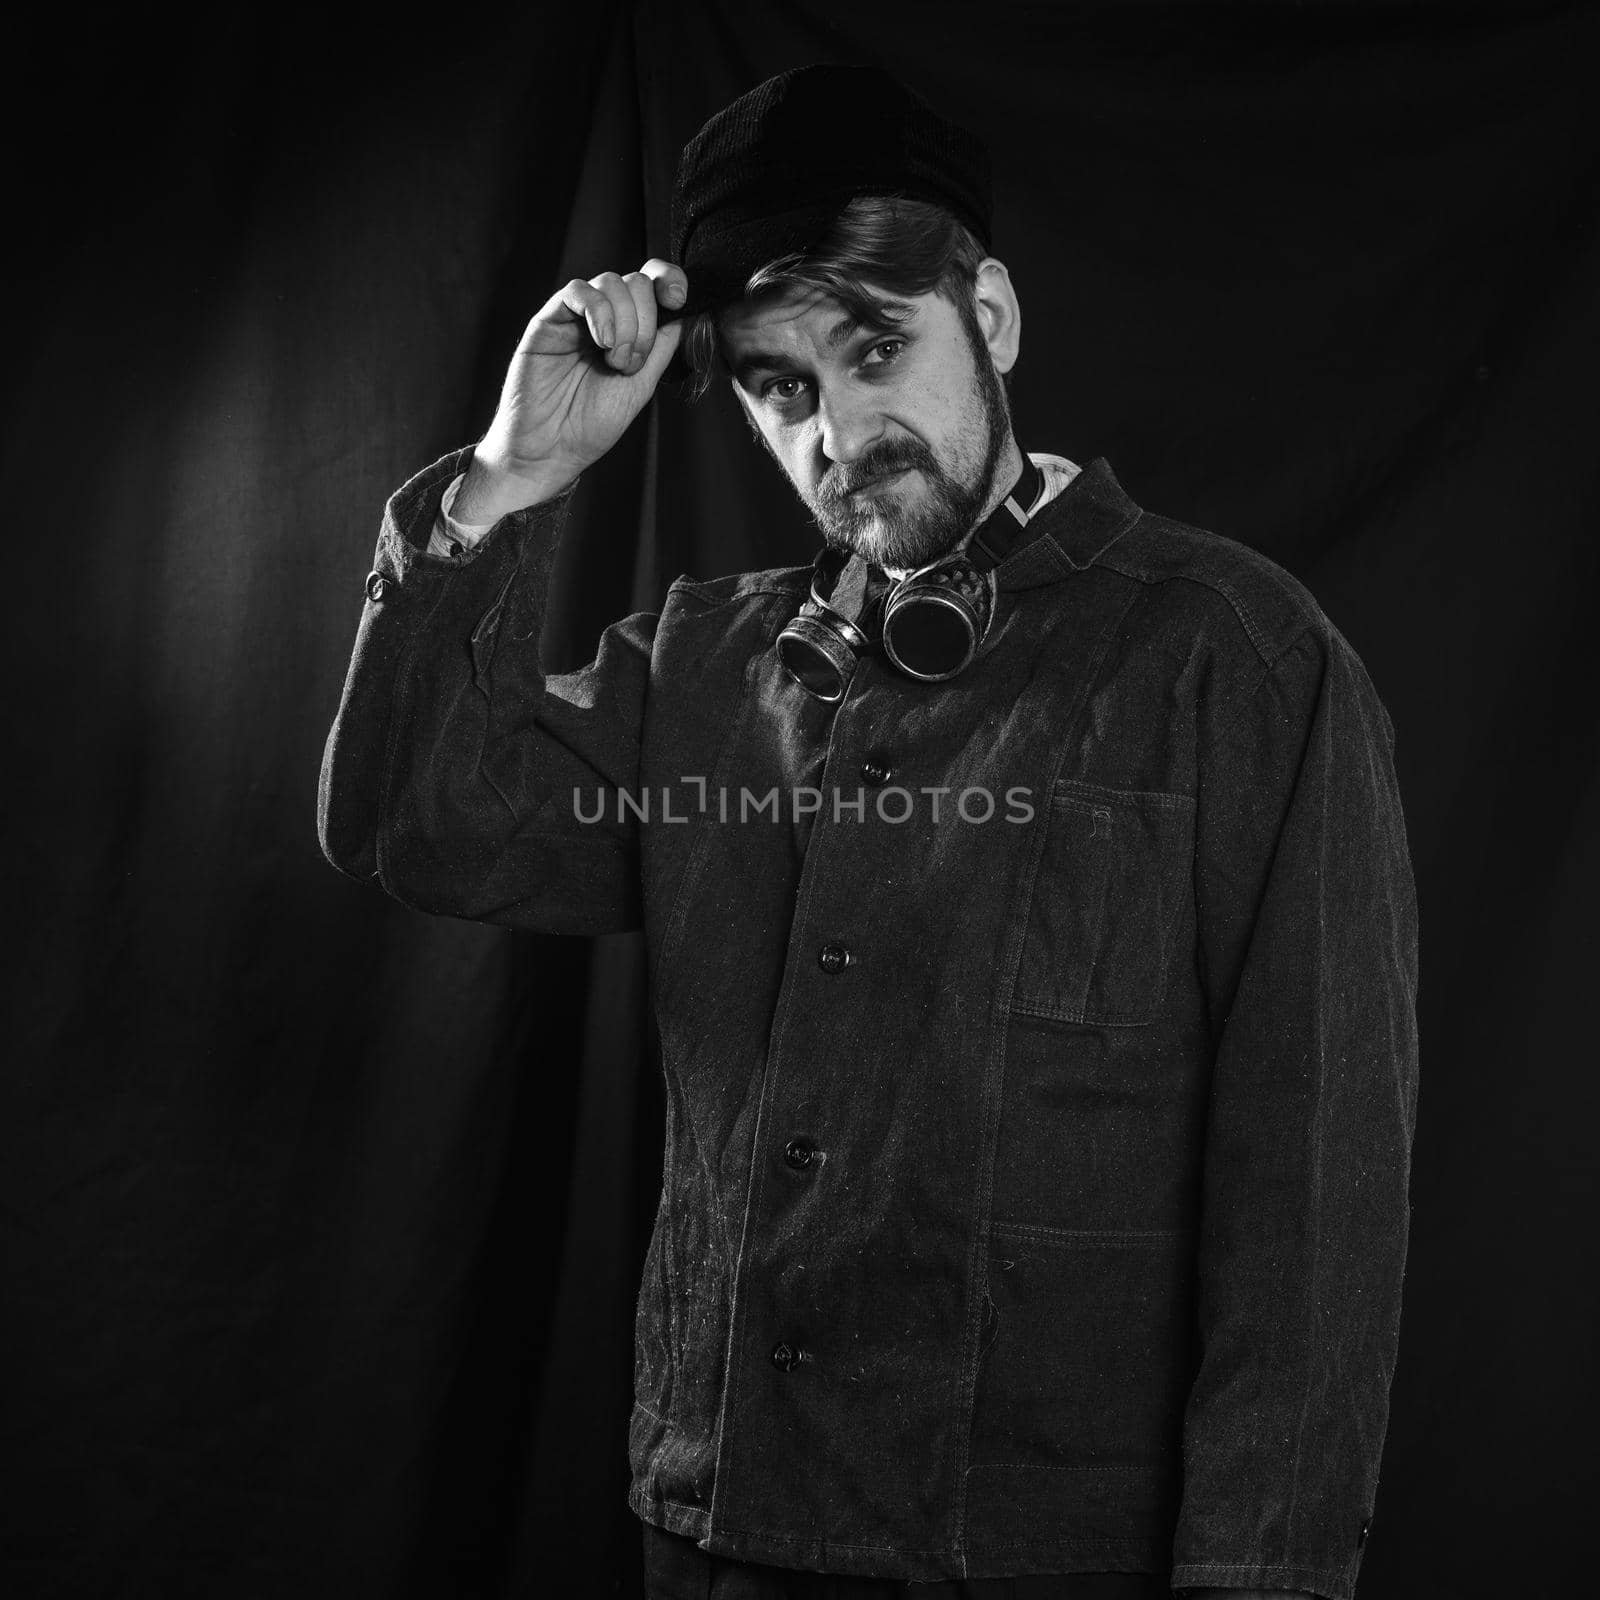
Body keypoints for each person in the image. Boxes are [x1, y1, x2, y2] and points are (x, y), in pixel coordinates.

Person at [319, 63, 1419, 1600]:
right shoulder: (708, 662)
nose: (838, 429)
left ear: (996, 318)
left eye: (875, 350)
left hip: (1051, 1564)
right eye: (781, 387)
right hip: (717, 1537)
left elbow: (1313, 1231)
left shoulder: (1243, 665)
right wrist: (511, 480)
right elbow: (407, 820)